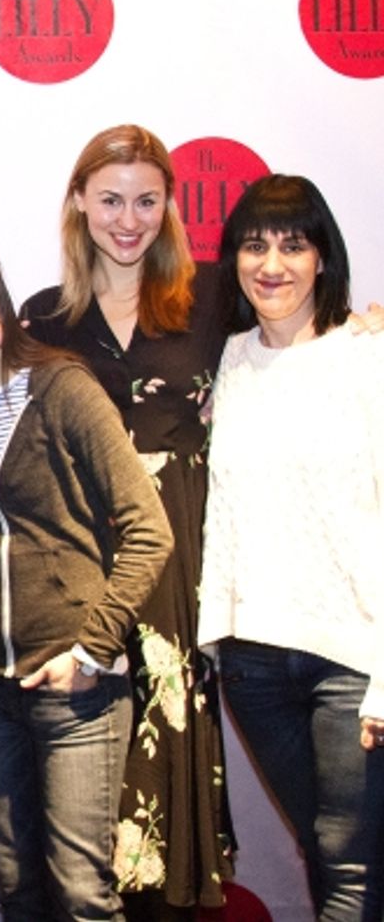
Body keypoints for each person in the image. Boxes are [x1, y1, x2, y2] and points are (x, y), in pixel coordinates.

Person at [0, 243, 172, 920]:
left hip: (75, 680)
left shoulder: (63, 388)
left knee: (82, 894)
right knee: (18, 889)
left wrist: (91, 651)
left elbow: (150, 530)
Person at [18, 124, 238, 918]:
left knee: (164, 784)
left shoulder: (214, 295)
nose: (128, 218)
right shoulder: (41, 322)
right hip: (81, 578)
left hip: (177, 576)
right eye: (110, 198)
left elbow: (297, 331)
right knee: (83, 824)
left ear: (169, 206)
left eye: (147, 199)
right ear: (79, 201)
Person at [198, 174, 384, 920]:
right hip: (253, 658)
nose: (271, 263)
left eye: (292, 245)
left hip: (352, 655)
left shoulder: (367, 356)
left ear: (323, 258)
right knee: (326, 849)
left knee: (350, 860)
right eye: (254, 244)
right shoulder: (229, 358)